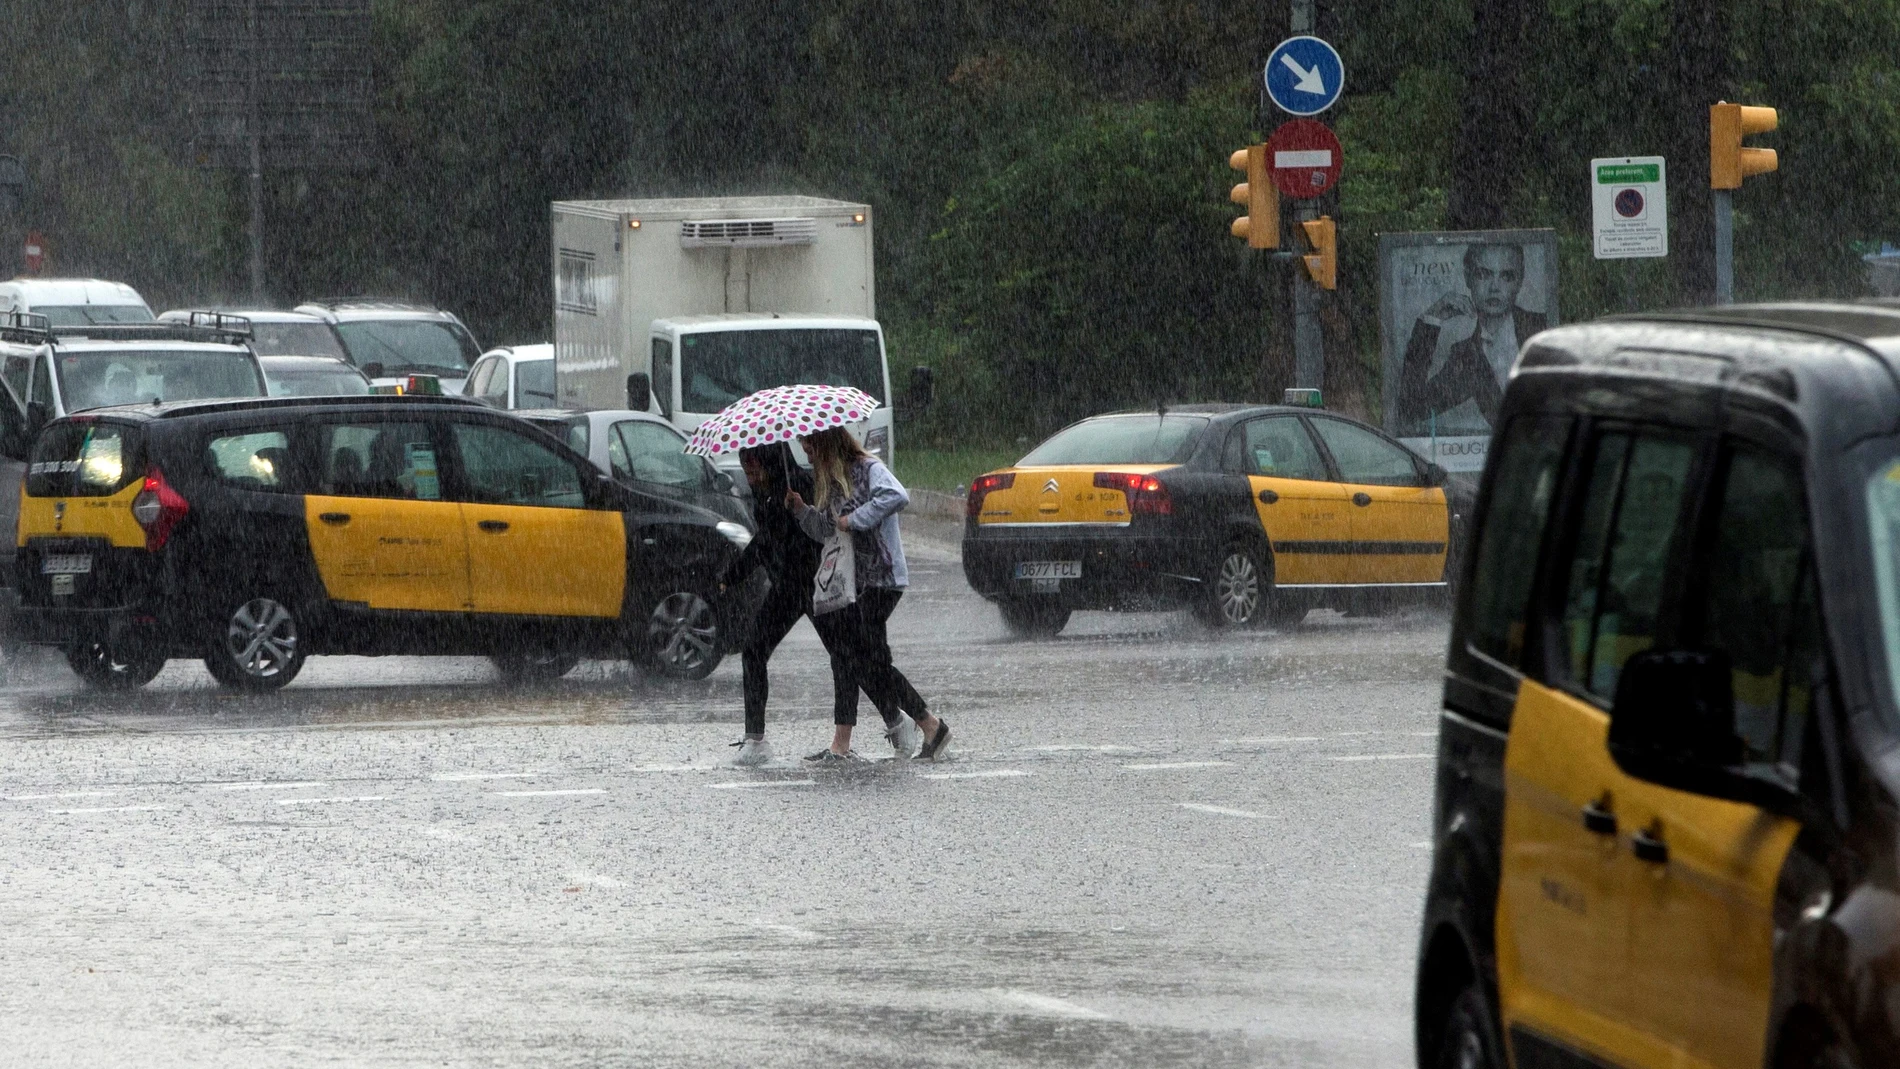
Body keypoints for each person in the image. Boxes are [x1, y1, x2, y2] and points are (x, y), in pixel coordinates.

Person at [786, 426, 948, 763]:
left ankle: (928, 725)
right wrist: (801, 510)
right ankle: (847, 743)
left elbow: (896, 496)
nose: (804, 448)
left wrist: (855, 519)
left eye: (809, 441)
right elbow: (827, 529)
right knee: (855, 658)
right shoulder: (831, 480)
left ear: (827, 440)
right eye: (801, 442)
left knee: (866, 661)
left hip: (883, 579)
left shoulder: (867, 468)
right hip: (855, 584)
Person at [721, 441, 833, 767]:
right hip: (787, 587)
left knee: (847, 655)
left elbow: (777, 539)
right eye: (745, 469)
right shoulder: (767, 492)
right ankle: (755, 738)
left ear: (770, 462)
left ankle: (898, 719)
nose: (749, 476)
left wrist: (792, 509)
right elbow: (766, 541)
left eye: (754, 469)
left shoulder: (796, 487)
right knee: (754, 649)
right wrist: (732, 576)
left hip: (814, 584)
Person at [1396, 243, 1549, 435]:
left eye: (1506, 276)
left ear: (1519, 281)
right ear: (1468, 278)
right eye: (1483, 274)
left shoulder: (1543, 328)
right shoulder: (1465, 356)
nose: (1494, 287)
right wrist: (1431, 320)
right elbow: (1411, 408)